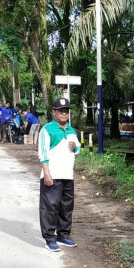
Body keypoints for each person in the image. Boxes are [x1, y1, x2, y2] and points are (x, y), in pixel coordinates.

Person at [38, 97, 81, 252]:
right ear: (53, 112)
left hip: (67, 175)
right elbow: (43, 153)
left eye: (66, 111)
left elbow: (78, 150)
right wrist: (47, 173)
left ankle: (63, 235)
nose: (64, 114)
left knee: (66, 207)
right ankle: (49, 238)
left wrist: (74, 147)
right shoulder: (47, 130)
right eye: (60, 111)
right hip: (53, 175)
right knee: (50, 207)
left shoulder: (71, 131)